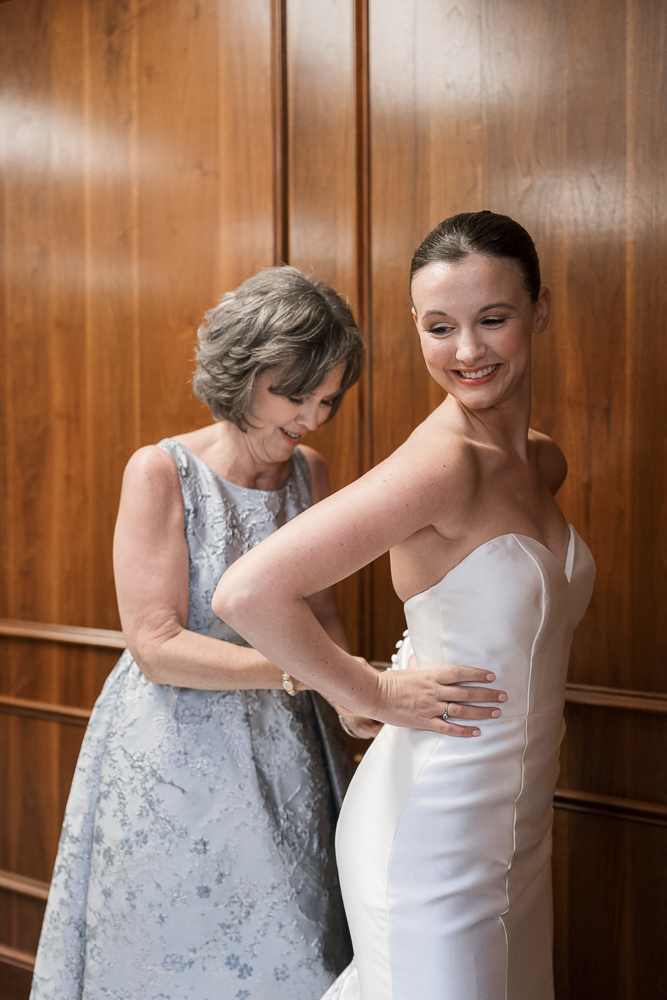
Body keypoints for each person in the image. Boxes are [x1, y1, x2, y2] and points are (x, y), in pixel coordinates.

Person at [30, 265, 504, 1000]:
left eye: (328, 399)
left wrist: (347, 696)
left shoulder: (309, 471)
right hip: (174, 750)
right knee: (179, 943)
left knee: (298, 938)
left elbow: (320, 613)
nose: (312, 418)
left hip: (289, 742)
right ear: (240, 372)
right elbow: (155, 646)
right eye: (294, 394)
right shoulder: (160, 471)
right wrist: (325, 675)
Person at [213, 214, 596, 1000]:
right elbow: (248, 592)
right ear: (415, 326)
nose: (467, 350)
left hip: (518, 831)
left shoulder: (541, 462)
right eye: (439, 327)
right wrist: (371, 691)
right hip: (432, 831)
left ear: (539, 310)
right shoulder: (440, 464)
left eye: (492, 318)